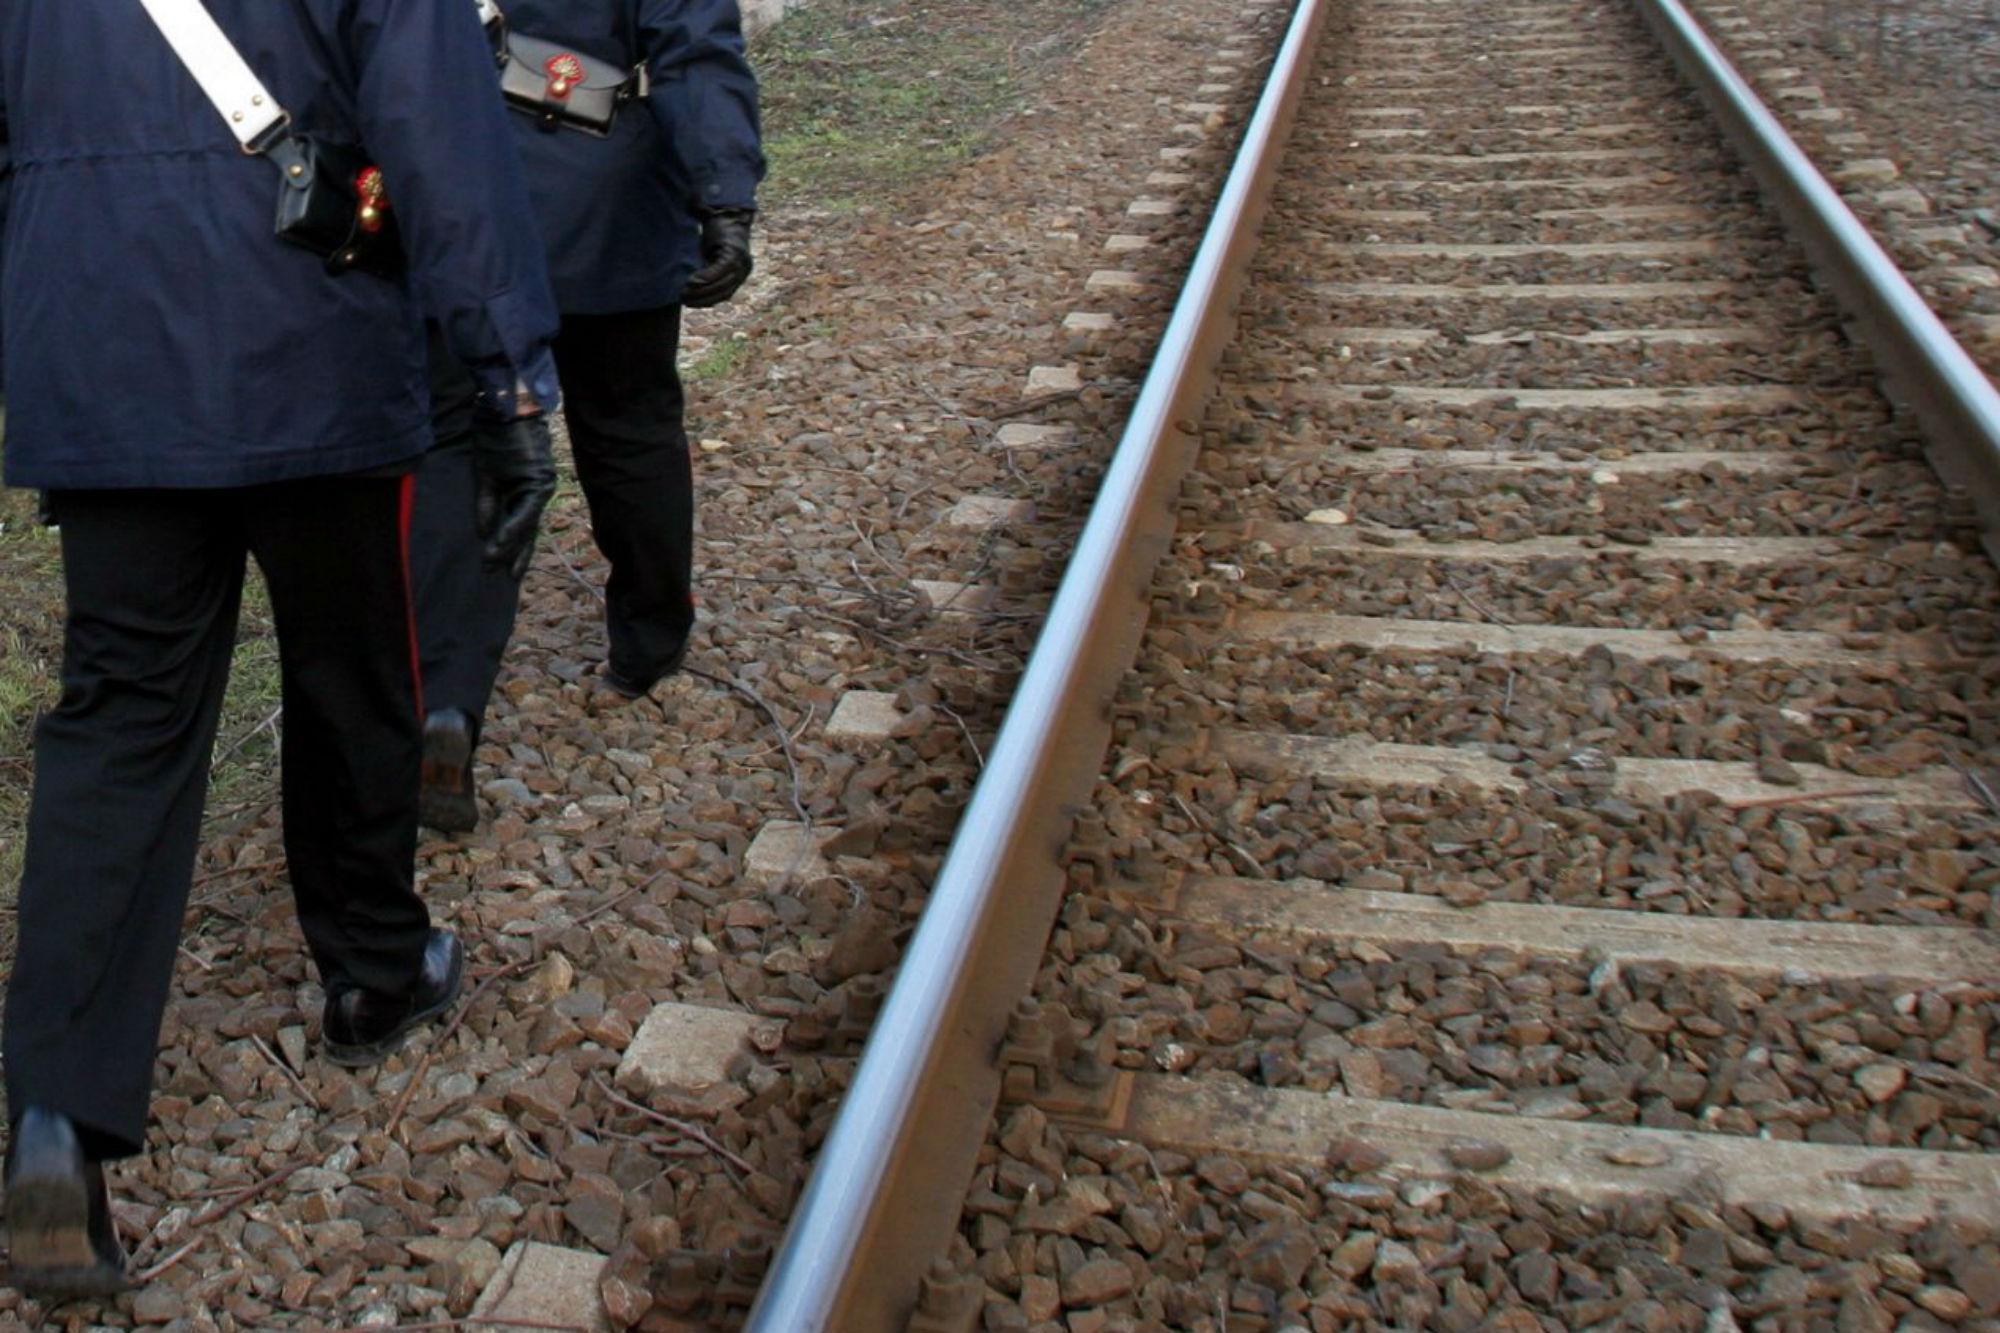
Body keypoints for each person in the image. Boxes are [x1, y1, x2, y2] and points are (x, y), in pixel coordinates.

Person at [0, 0, 562, 1299]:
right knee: (352, 666)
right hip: (313, 336)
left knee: (120, 717)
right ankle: (373, 969)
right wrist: (509, 373)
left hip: (102, 355)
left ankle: (54, 1125)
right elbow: (439, 127)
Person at [412, 0, 764, 834]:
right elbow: (693, 53)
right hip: (612, 200)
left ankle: (448, 699)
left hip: (467, 206)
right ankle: (648, 638)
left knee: (470, 448)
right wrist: (726, 197)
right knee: (630, 424)